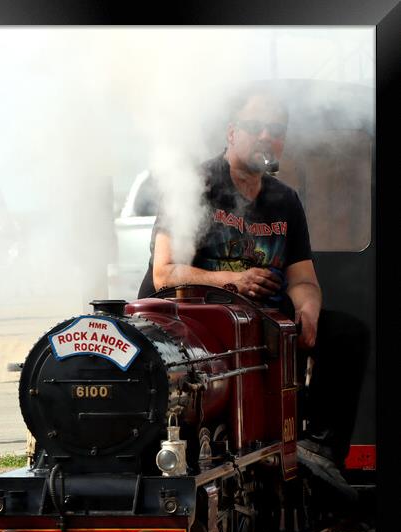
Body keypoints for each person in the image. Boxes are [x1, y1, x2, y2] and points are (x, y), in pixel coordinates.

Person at [138, 89, 369, 502]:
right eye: (255, 127)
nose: (267, 136)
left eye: (276, 130)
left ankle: (318, 452)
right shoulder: (196, 186)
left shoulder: (285, 200)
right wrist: (235, 282)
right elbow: (164, 273)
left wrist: (308, 308)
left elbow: (302, 280)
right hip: (197, 327)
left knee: (346, 333)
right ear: (231, 133)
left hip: (262, 323)